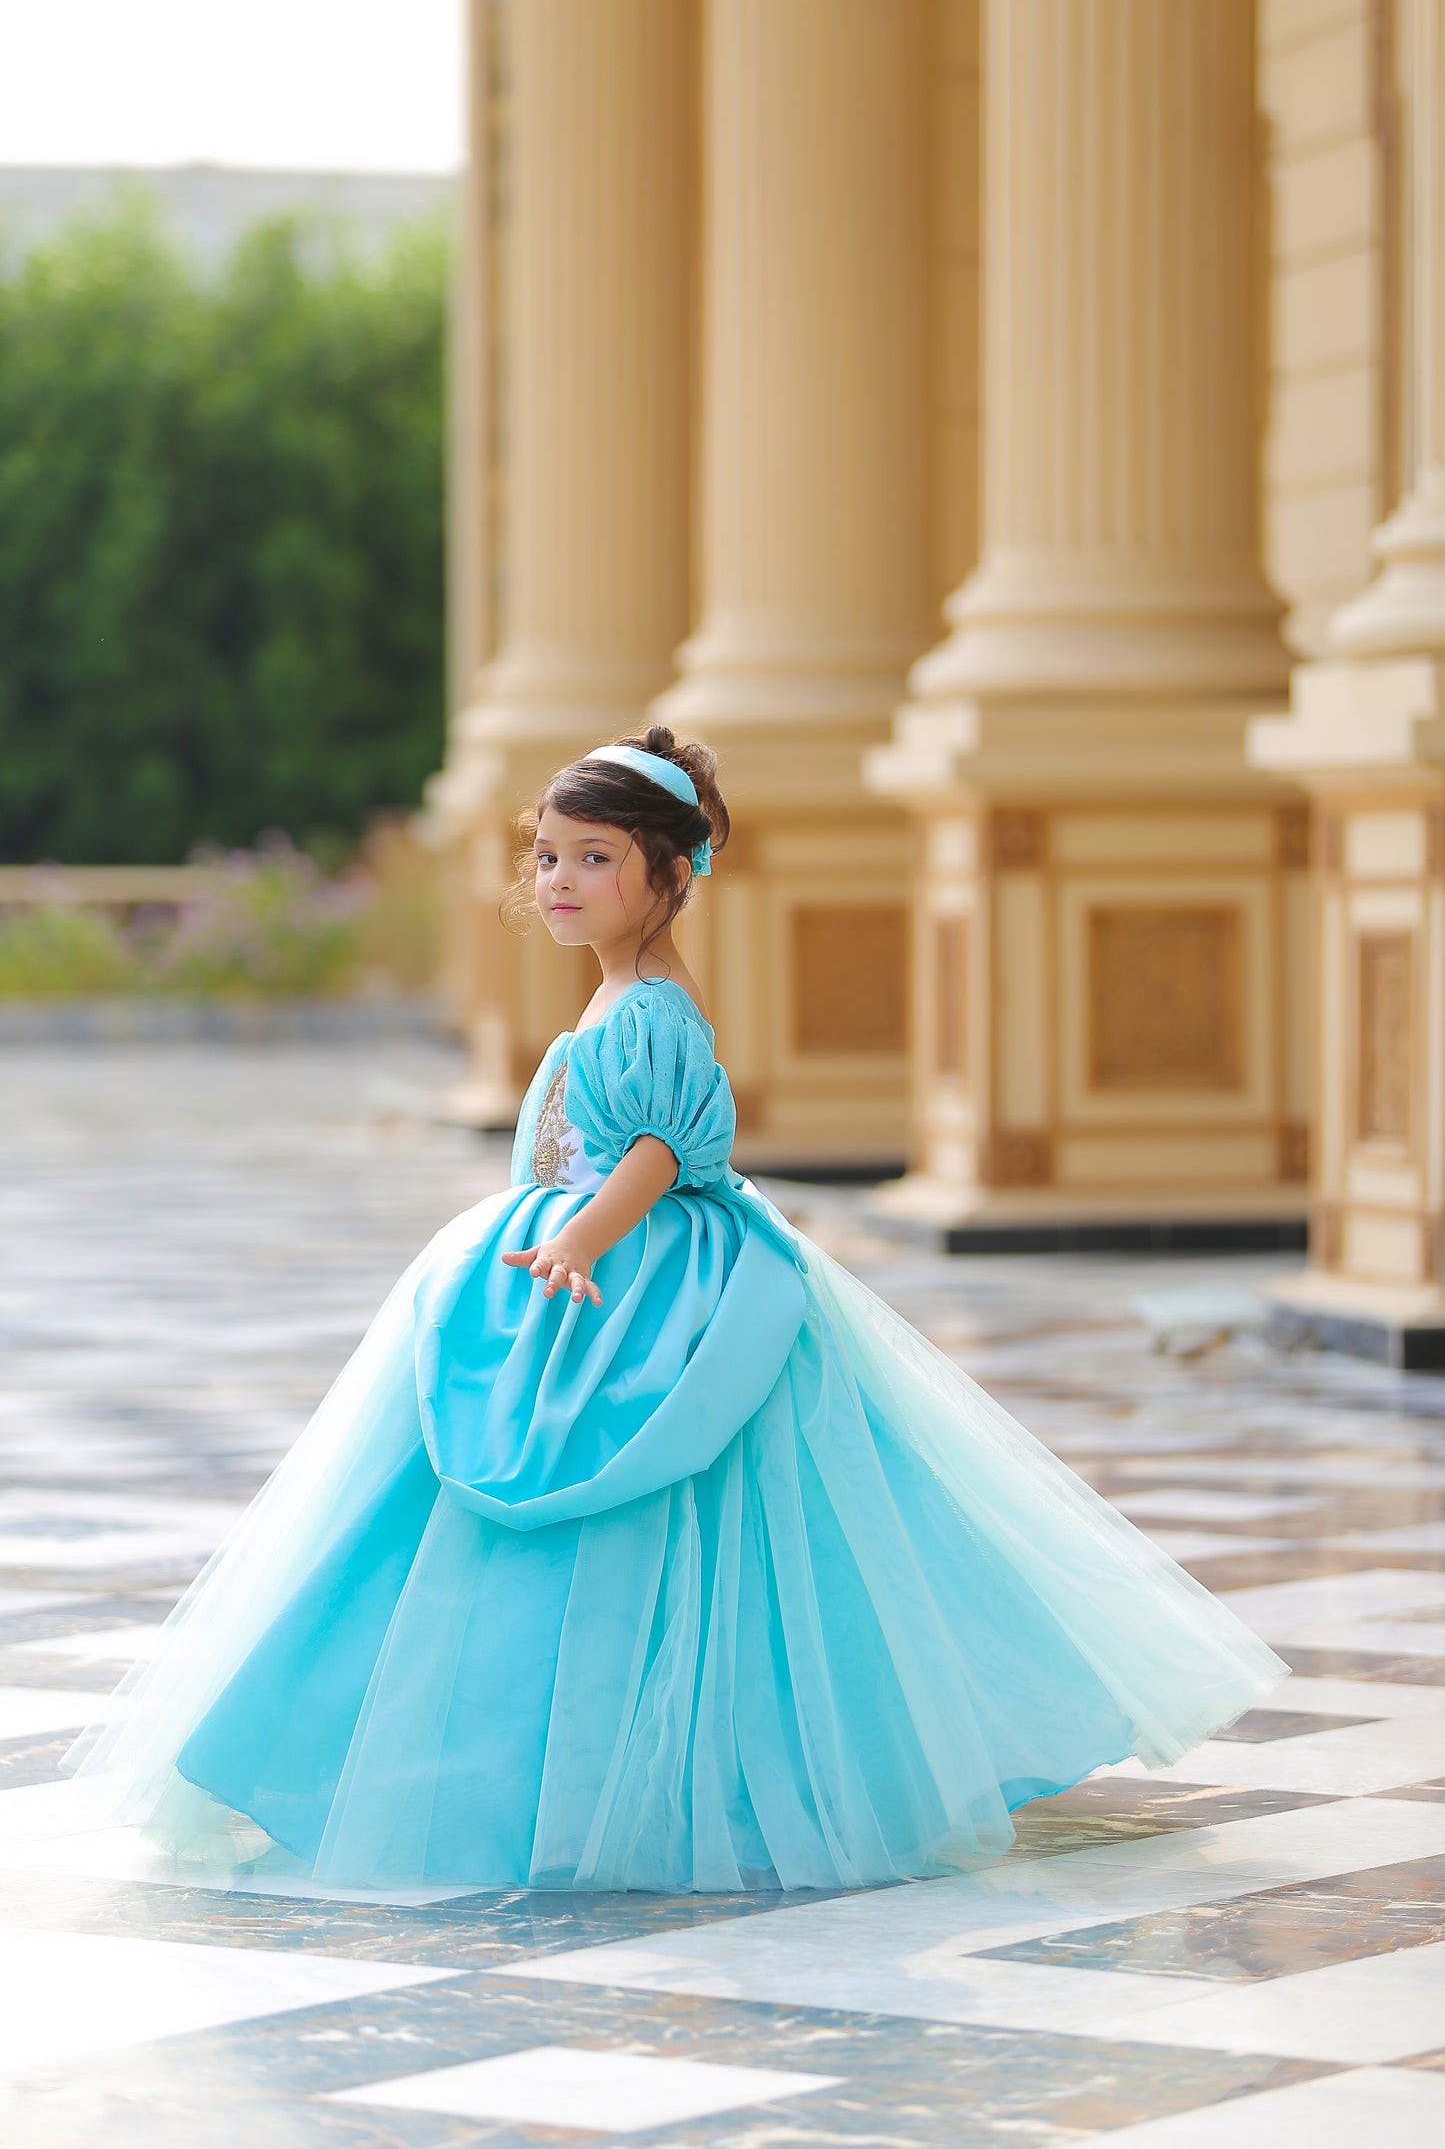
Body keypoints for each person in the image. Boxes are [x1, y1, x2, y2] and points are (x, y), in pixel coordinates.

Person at [68, 727, 1286, 1893]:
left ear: (669, 876)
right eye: (549, 855)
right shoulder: (622, 990)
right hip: (604, 1258)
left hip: (641, 1272)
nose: (560, 879)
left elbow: (662, 1143)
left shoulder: (651, 1005)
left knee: (675, 1507)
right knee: (529, 1504)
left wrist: (581, 1234)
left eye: (595, 858)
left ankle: (605, 1772)